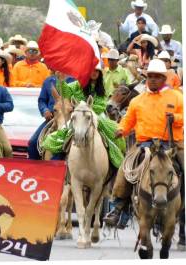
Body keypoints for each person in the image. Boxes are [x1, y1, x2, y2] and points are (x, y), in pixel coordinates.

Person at [104, 60, 184, 243]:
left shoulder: (177, 97)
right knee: (126, 168)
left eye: (157, 77)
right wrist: (121, 130)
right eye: (151, 76)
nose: (154, 79)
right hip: (144, 145)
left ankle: (182, 210)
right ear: (146, 78)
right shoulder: (137, 100)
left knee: (185, 169)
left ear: (164, 78)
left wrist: (176, 117)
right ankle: (118, 207)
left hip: (171, 144)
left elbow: (184, 116)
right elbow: (128, 121)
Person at [42, 64, 126, 170]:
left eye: (97, 71)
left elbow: (101, 105)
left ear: (100, 73)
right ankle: (55, 165)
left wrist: (84, 107)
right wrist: (62, 81)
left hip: (95, 115)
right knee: (64, 134)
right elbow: (66, 93)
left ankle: (114, 166)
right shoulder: (77, 84)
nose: (94, 73)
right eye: (92, 70)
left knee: (112, 135)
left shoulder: (101, 87)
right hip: (77, 115)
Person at [28, 70, 57, 160]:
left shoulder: (74, 81)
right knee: (33, 143)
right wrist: (45, 110)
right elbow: (42, 100)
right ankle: (34, 170)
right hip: (52, 119)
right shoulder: (48, 81)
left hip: (69, 119)